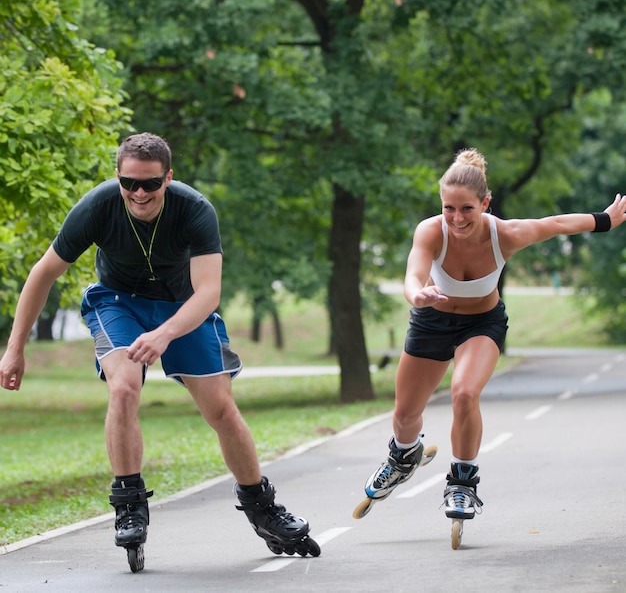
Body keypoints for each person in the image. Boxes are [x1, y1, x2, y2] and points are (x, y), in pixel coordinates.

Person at [0, 132, 319, 567]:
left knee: (221, 409)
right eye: (130, 183)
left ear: (168, 178)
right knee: (125, 387)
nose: (139, 193)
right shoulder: (98, 207)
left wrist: (166, 332)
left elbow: (208, 292)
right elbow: (43, 273)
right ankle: (129, 503)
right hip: (117, 303)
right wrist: (15, 349)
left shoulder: (194, 210)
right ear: (118, 177)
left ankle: (263, 508)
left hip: (183, 308)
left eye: (150, 183)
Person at [360, 148, 626, 525]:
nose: (456, 218)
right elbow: (413, 273)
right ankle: (404, 455)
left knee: (465, 393)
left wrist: (605, 219)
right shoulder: (431, 231)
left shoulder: (507, 234)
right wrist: (416, 294)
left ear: (486, 203)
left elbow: (557, 223)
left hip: (481, 324)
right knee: (405, 415)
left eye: (467, 208)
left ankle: (462, 482)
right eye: (449, 208)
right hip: (430, 321)